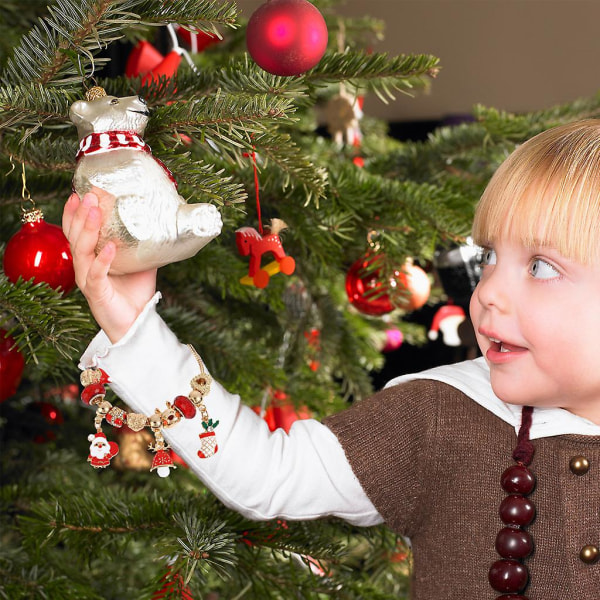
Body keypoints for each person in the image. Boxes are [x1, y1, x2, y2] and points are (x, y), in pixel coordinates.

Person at [64, 120, 600, 599]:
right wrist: (134, 326)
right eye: (488, 258)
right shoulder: (439, 416)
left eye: (541, 267)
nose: (488, 294)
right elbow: (266, 473)